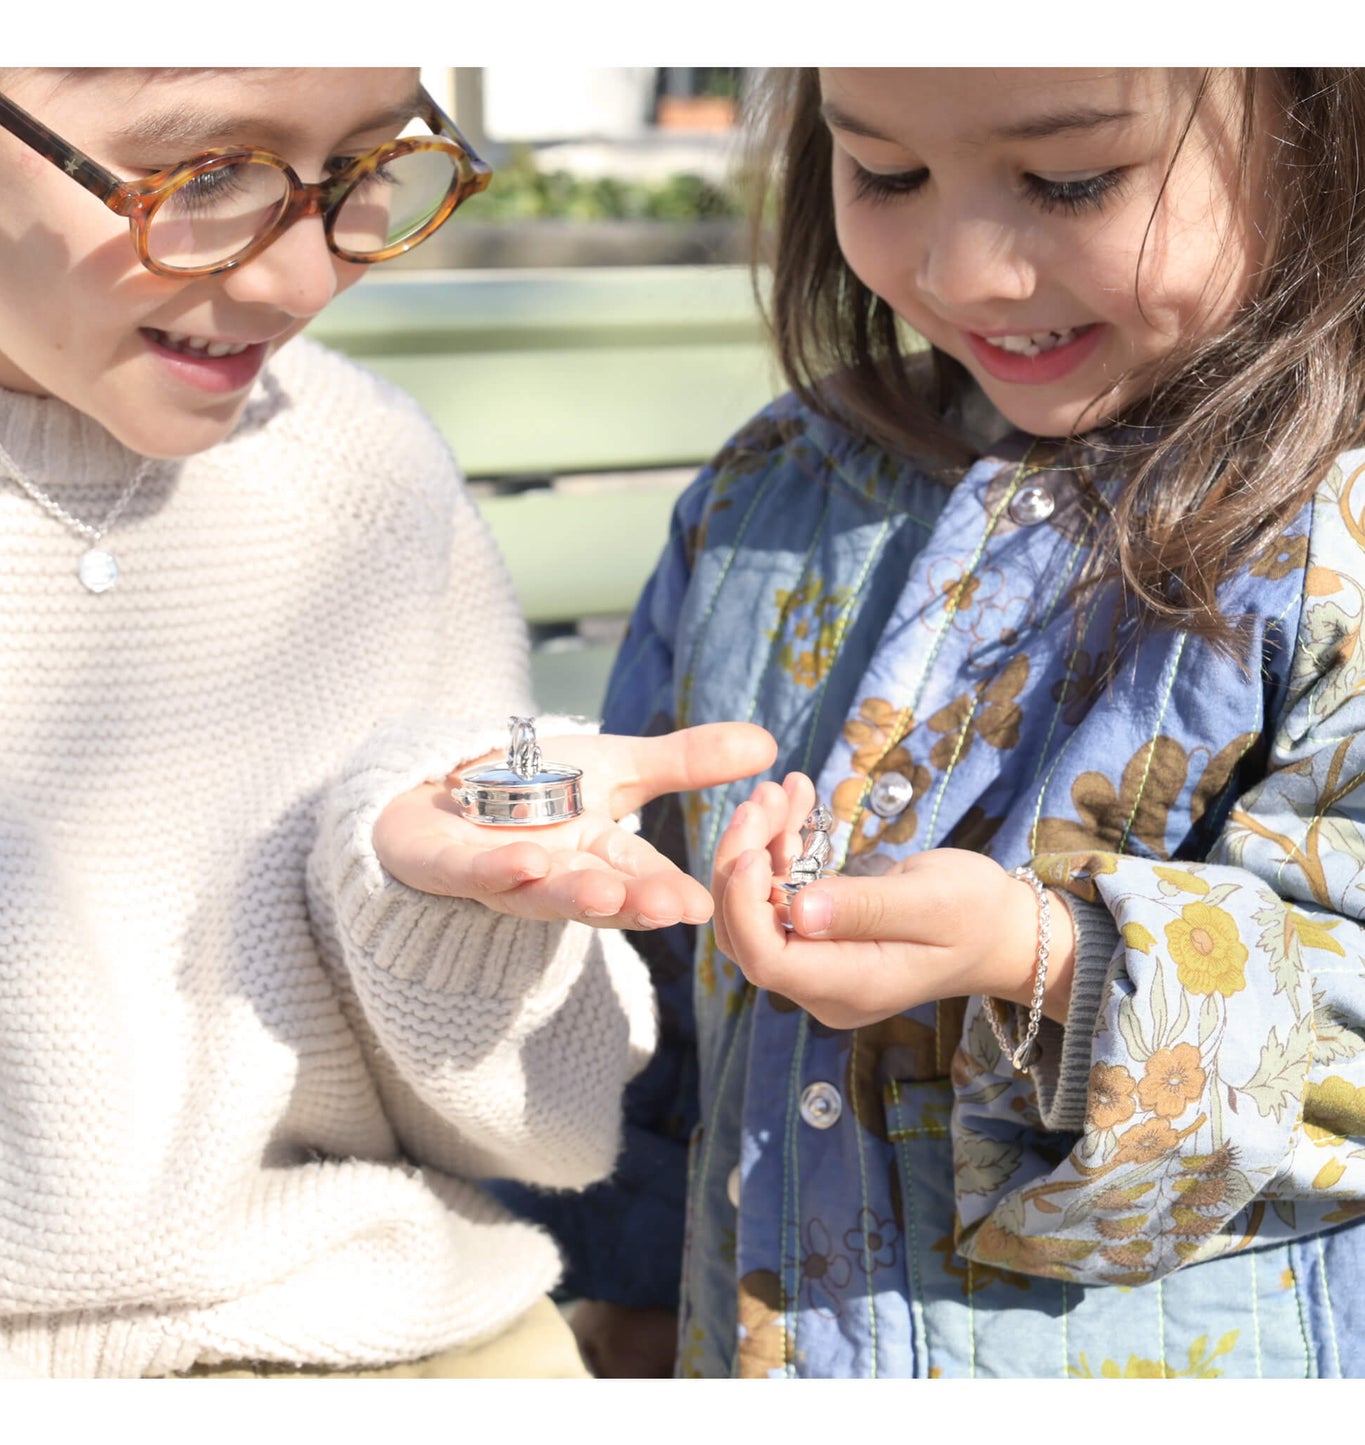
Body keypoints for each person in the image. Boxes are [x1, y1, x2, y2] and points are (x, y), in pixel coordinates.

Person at [0, 65, 775, 1378]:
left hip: (410, 1326)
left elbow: (544, 1134)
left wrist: (439, 908)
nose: (303, 282)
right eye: (203, 178)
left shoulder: (360, 475)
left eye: (366, 172)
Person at [523, 68, 1365, 1378]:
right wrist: (632, 1289)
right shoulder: (772, 492)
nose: (966, 269)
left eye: (1069, 181)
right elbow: (655, 1002)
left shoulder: (1334, 539)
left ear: (1317, 122)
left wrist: (1050, 959)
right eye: (887, 174)